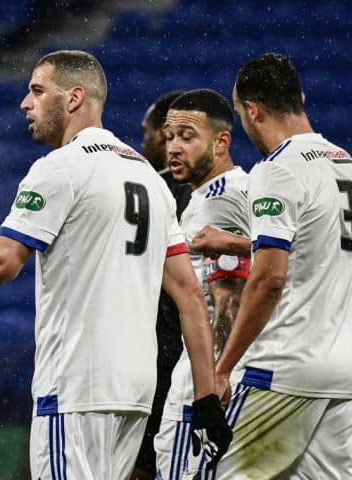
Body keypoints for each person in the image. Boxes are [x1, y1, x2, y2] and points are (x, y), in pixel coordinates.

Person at [0, 50, 231, 480]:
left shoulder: (60, 168)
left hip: (77, 386)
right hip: (134, 393)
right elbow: (190, 295)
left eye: (38, 91)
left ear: (75, 97)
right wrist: (206, 398)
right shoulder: (150, 179)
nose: (26, 103)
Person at [195, 53, 352, 479]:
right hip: (345, 369)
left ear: (252, 110)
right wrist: (240, 242)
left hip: (286, 366)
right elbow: (314, 248)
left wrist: (223, 369)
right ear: (301, 98)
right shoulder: (348, 166)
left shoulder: (276, 170)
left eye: (240, 114)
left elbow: (270, 280)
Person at [151, 89, 251, 480]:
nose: (173, 147)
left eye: (187, 136)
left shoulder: (220, 202)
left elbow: (230, 297)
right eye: (169, 135)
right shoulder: (223, 193)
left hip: (201, 379)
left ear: (221, 141)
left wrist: (211, 382)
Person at [131, 90, 190, 480]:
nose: (144, 142)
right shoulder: (221, 187)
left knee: (140, 466)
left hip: (160, 351)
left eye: (147, 132)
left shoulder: (152, 190)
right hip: (182, 351)